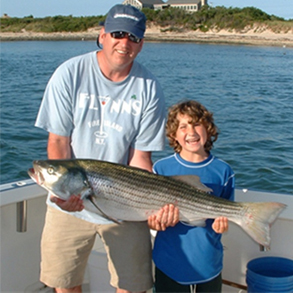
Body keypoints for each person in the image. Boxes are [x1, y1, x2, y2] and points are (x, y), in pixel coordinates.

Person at [35, 4, 174, 293]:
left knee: (133, 286)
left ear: (142, 44)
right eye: (118, 34)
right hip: (69, 202)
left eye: (133, 37)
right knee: (65, 284)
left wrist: (154, 205)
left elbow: (140, 158)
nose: (124, 43)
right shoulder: (69, 74)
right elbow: (58, 142)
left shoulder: (149, 87)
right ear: (102, 35)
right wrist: (62, 193)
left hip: (125, 200)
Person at [148, 100, 235, 293]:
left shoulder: (223, 171)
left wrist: (223, 224)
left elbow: (227, 212)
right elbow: (150, 219)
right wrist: (155, 223)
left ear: (208, 128)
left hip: (209, 264)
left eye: (197, 124)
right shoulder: (161, 169)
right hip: (169, 264)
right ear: (174, 134)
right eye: (183, 126)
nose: (192, 132)